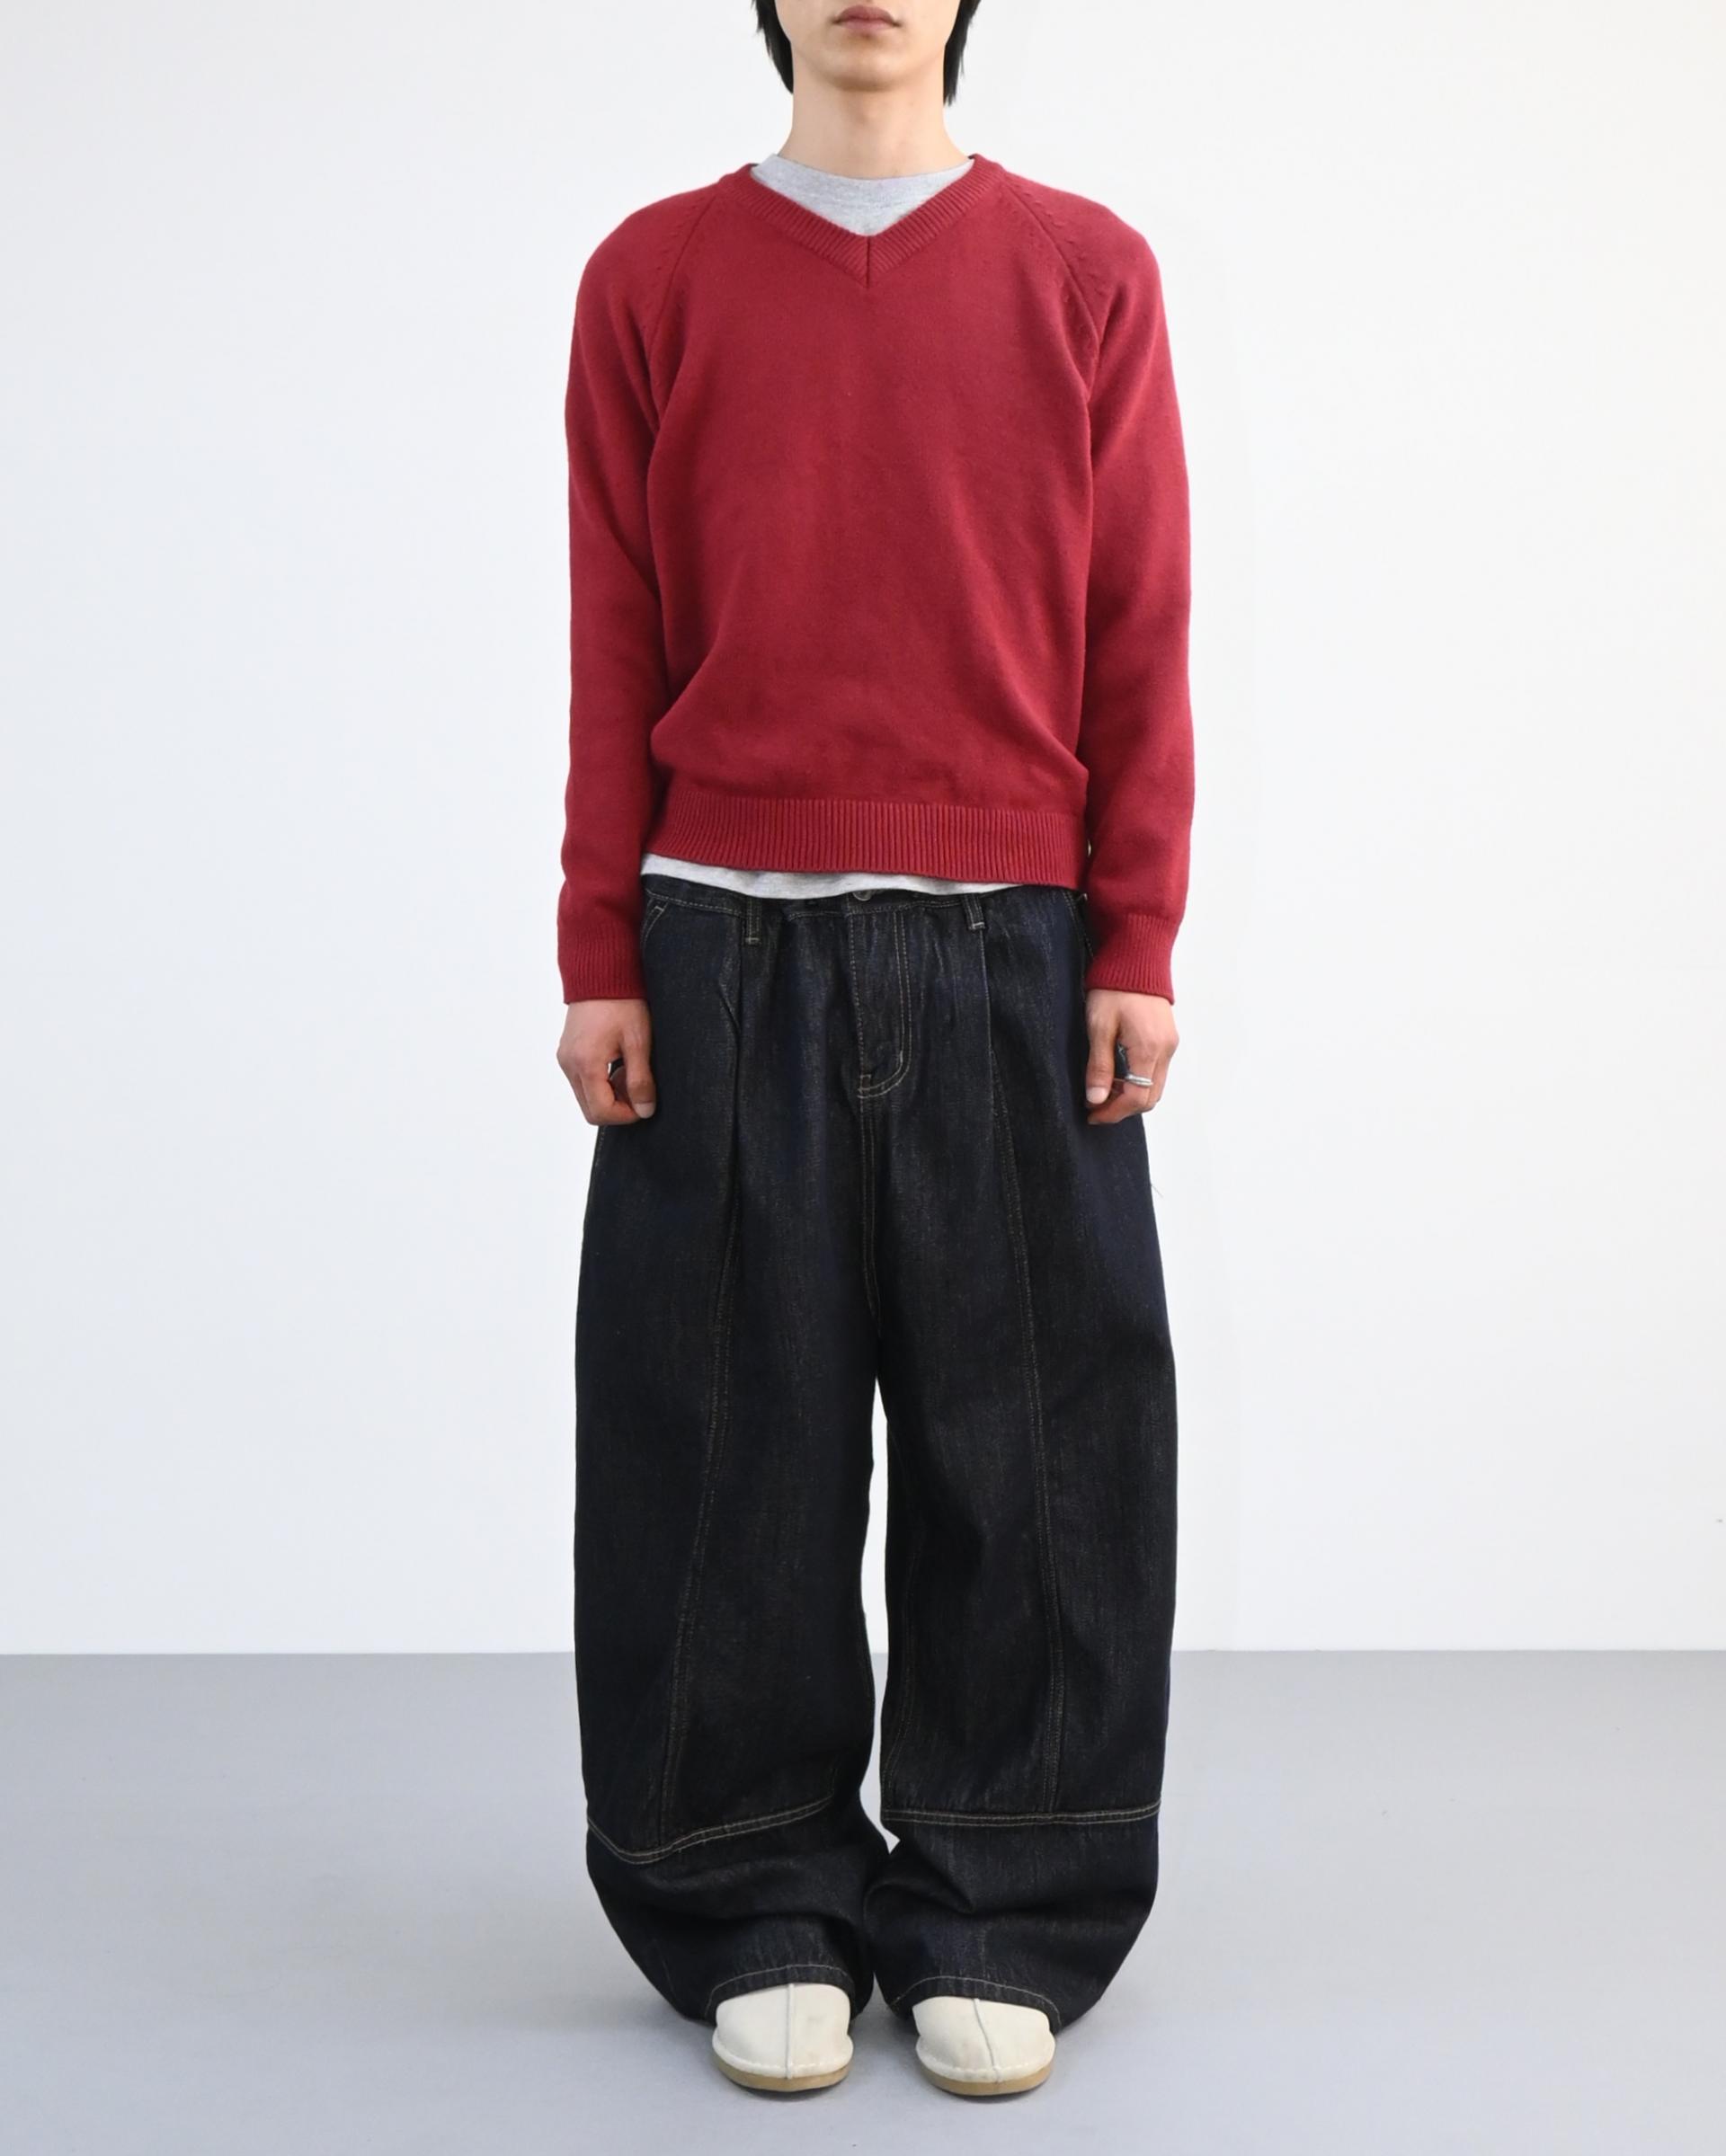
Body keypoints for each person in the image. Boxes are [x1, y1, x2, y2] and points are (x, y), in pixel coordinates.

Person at [555, 0, 1193, 2101]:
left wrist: (1136, 929)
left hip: (1015, 933)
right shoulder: (654, 274)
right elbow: (615, 623)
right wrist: (598, 945)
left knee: (1042, 1442)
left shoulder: (1084, 271)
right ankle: (746, 1894)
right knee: (720, 1440)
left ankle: (1009, 1894)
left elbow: (1138, 620)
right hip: (719, 936)